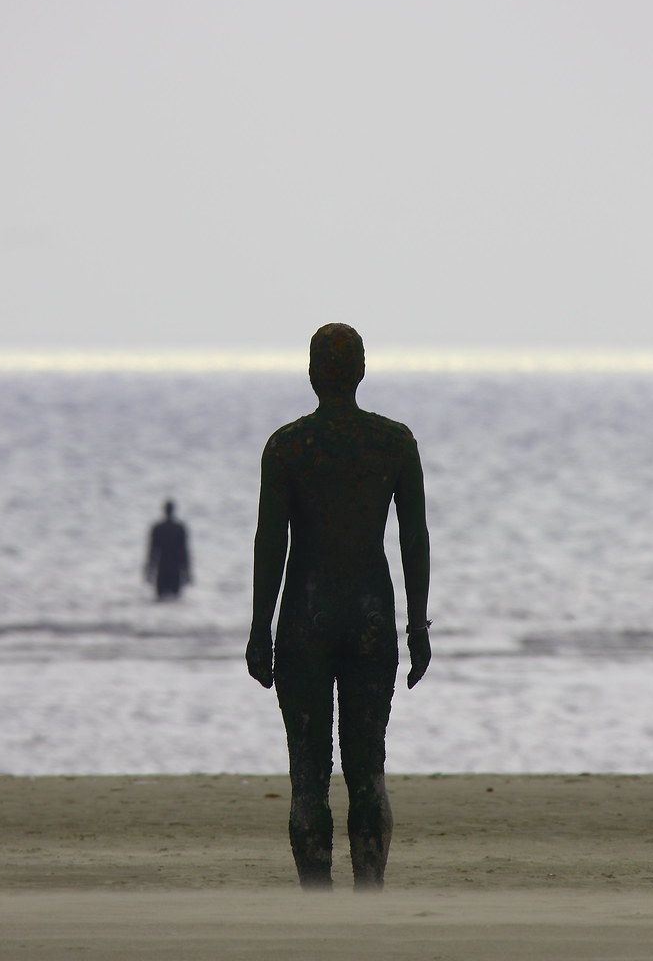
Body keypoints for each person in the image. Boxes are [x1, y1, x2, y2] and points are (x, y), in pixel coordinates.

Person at [246, 323, 431, 890]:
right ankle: (370, 892)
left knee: (308, 774)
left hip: (306, 616)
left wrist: (259, 630)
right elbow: (414, 539)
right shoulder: (394, 443)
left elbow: (270, 541)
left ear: (311, 374)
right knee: (367, 768)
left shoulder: (287, 446)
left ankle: (317, 897)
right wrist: (417, 626)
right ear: (361, 372)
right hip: (372, 614)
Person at [145, 500, 192, 600]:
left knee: (160, 601)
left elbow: (152, 552)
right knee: (175, 601)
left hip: (162, 569)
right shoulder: (179, 528)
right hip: (175, 570)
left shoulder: (157, 529)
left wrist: (149, 571)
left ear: (164, 511)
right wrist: (187, 572)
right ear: (173, 511)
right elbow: (184, 552)